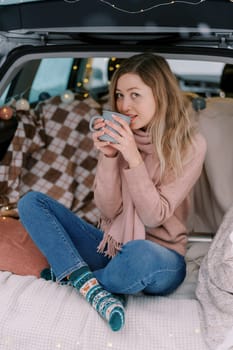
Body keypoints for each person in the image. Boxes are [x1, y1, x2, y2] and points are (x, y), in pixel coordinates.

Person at [18, 53, 207, 332]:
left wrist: (133, 159)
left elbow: (154, 217)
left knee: (139, 253)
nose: (124, 105)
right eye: (119, 95)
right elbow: (107, 211)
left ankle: (76, 276)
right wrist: (109, 157)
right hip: (111, 247)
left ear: (160, 95)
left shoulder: (190, 145)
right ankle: (91, 285)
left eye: (135, 95)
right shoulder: (119, 137)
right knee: (31, 203)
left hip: (160, 256)